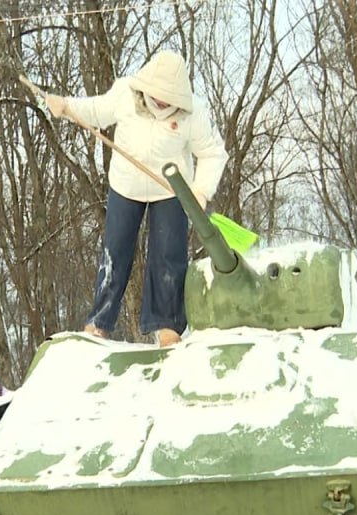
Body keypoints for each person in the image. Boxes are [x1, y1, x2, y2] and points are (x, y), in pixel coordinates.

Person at [42, 50, 228, 348]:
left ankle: (167, 326)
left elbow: (212, 152)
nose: (162, 103)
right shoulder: (125, 94)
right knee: (115, 251)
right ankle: (99, 321)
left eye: (169, 99)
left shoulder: (194, 112)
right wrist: (64, 106)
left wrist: (201, 191)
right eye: (158, 96)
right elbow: (96, 111)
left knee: (168, 256)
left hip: (171, 190)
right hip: (125, 186)